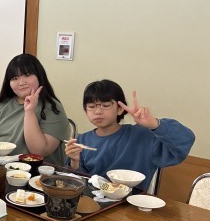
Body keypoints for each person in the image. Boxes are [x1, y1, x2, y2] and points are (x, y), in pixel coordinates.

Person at [65, 80, 195, 190]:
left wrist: (154, 124)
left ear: (120, 109)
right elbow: (76, 184)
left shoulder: (143, 136)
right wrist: (74, 162)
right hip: (94, 203)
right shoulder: (82, 140)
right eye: (91, 106)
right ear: (85, 110)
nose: (98, 111)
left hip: (132, 204)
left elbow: (185, 140)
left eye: (105, 105)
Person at [0, 53, 70, 165]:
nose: (21, 83)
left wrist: (29, 112)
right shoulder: (0, 106)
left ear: (39, 76)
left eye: (27, 75)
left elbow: (39, 151)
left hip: (36, 172)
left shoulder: (52, 108)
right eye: (15, 78)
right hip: (0, 168)